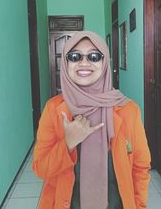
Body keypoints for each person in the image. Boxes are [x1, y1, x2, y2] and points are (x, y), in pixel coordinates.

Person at [32, 31, 151, 209]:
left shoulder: (128, 111)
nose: (84, 62)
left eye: (94, 56)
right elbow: (40, 168)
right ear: (65, 63)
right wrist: (68, 143)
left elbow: (140, 168)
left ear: (105, 63)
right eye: (75, 56)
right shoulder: (53, 110)